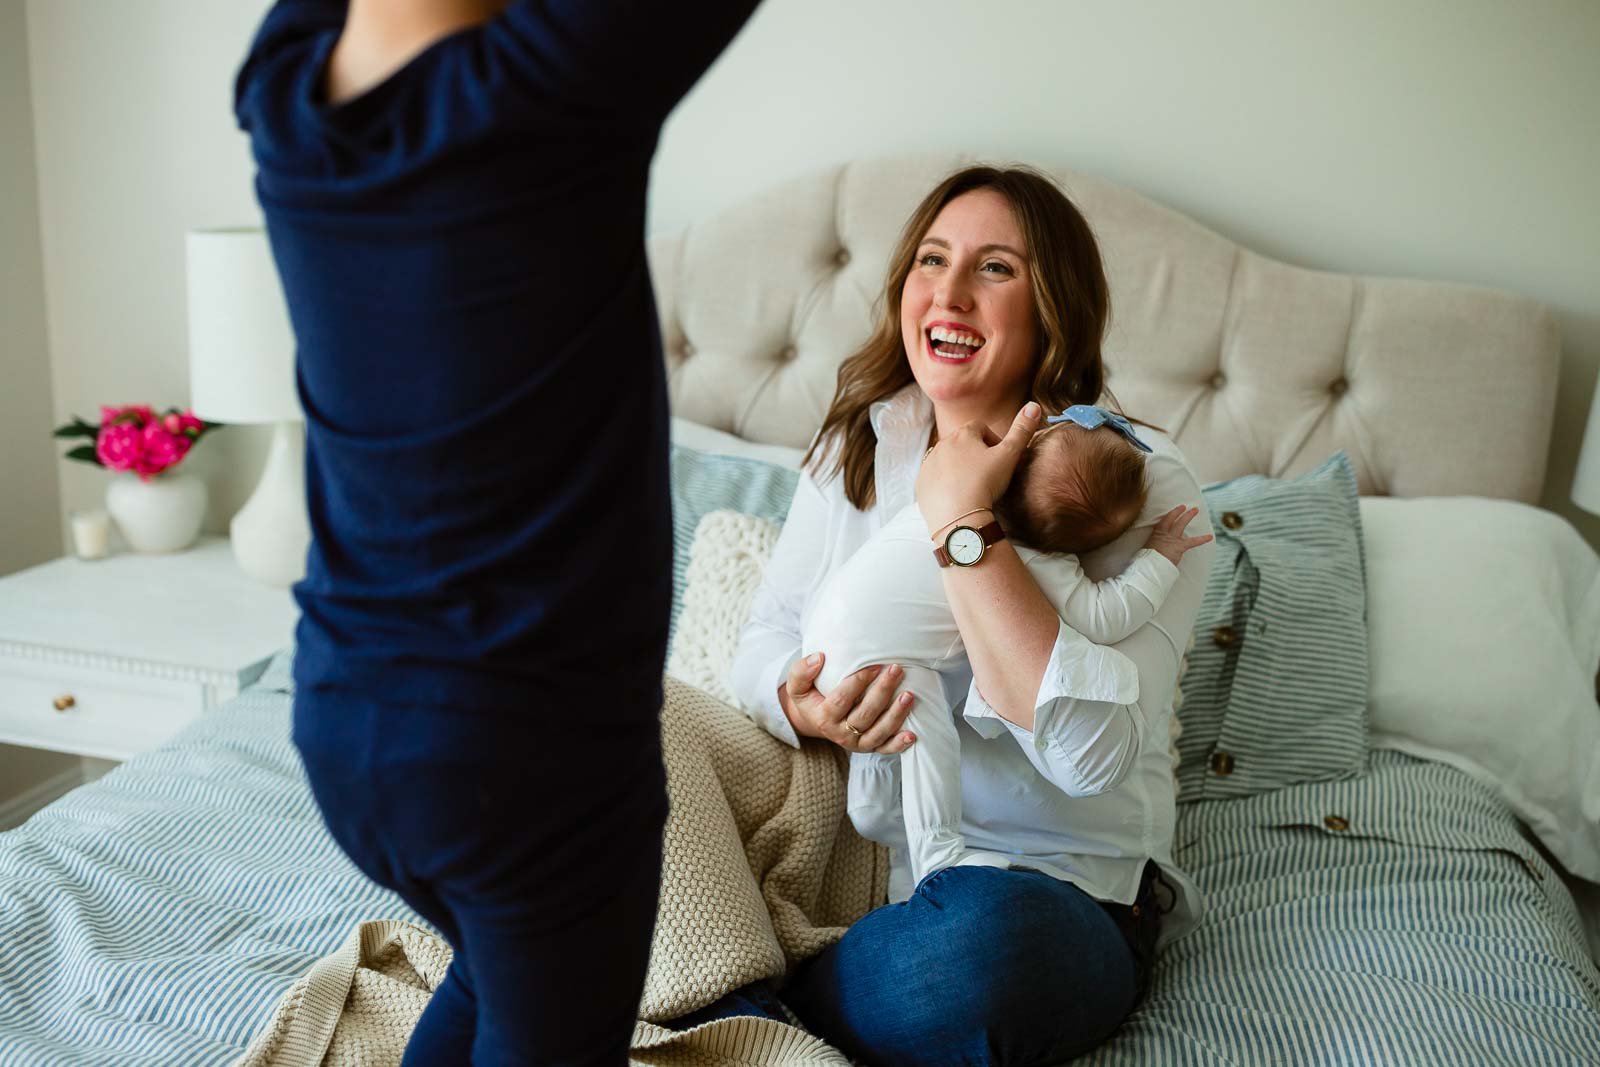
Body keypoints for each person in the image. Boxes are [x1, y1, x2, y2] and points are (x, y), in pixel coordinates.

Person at [232, 1, 760, 1063]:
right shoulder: (545, 90)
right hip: (527, 748)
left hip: (345, 716)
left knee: (491, 964)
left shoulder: (283, 93)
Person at [712, 164, 1218, 1066]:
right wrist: (803, 708)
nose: (947, 292)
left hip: (1048, 891)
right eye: (931, 260)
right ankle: (747, 981)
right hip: (852, 868)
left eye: (995, 269)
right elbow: (763, 640)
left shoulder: (1127, 480)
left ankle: (749, 1004)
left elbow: (1090, 757)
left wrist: (964, 528)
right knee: (620, 745)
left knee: (984, 951)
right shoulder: (858, 445)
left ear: (1052, 307)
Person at [802, 407, 1212, 886]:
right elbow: (1105, 615)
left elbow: (1091, 762)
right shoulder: (1028, 554)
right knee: (921, 730)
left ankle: (872, 806)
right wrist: (1159, 559)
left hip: (826, 639)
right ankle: (938, 852)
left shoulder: (942, 494)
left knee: (904, 713)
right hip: (867, 665)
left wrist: (959, 511)